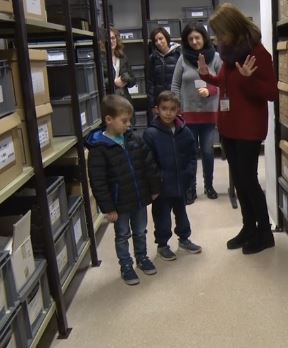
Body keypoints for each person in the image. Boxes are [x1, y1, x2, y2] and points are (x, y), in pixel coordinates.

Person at [198, 4, 278, 255]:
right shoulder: (229, 53)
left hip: (248, 129)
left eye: (220, 33)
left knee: (249, 182)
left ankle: (264, 232)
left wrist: (249, 79)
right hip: (229, 127)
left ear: (233, 28)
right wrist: (207, 76)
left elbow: (272, 93)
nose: (217, 39)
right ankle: (248, 228)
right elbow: (225, 82)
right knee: (240, 183)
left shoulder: (257, 53)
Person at [86, 95, 161, 286]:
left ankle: (142, 258)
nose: (128, 125)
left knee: (140, 231)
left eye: (130, 120)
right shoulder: (98, 148)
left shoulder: (134, 139)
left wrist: (154, 188)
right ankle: (126, 265)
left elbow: (149, 165)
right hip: (119, 204)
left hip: (139, 198)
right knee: (122, 235)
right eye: (124, 121)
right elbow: (98, 181)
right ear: (109, 120)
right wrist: (108, 208)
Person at [143, 91, 202, 261]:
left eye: (172, 109)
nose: (168, 113)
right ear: (157, 110)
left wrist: (189, 175)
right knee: (162, 217)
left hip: (181, 183)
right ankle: (162, 245)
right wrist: (155, 184)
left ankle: (184, 239)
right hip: (161, 188)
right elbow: (148, 163)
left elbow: (192, 155)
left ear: (178, 110)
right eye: (164, 109)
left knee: (182, 214)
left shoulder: (185, 131)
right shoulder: (150, 134)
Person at [171, 22, 222, 204]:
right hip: (188, 115)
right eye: (190, 38)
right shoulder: (182, 59)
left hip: (208, 115)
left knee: (208, 152)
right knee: (189, 153)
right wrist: (176, 108)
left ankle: (209, 186)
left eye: (197, 37)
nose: (194, 41)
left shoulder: (215, 57)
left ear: (204, 38)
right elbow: (175, 85)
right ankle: (190, 189)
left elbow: (223, 83)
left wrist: (211, 91)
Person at [147, 27, 180, 117]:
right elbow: (150, 83)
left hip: (176, 99)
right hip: (160, 101)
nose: (158, 42)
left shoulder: (178, 54)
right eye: (155, 40)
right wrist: (153, 104)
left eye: (161, 38)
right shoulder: (152, 58)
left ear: (166, 38)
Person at [108, 27, 137, 120]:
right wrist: (113, 83)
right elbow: (95, 82)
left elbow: (133, 80)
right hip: (109, 102)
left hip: (124, 100)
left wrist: (125, 78)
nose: (111, 41)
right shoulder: (100, 59)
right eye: (108, 39)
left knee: (127, 129)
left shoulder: (122, 57)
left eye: (113, 38)